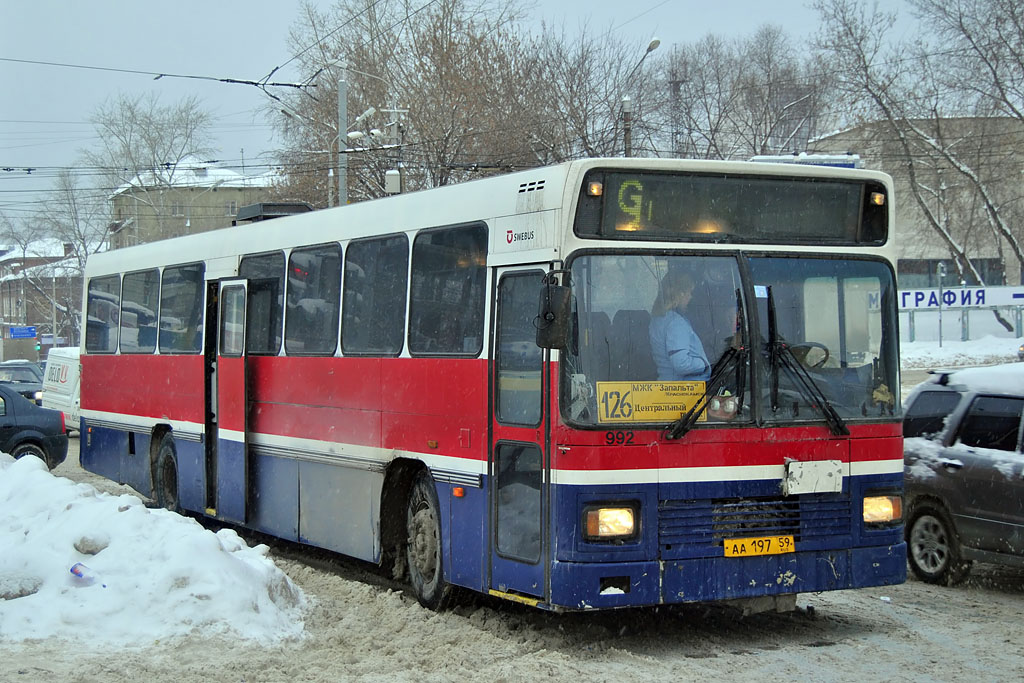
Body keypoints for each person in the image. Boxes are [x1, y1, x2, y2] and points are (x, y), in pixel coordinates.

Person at [648, 271, 711, 381]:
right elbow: (682, 364)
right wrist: (703, 363)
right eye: (689, 292)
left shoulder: (658, 319)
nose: (690, 297)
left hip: (666, 385)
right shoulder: (675, 323)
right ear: (680, 293)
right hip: (681, 391)